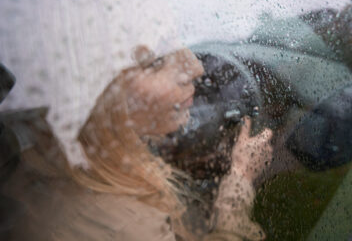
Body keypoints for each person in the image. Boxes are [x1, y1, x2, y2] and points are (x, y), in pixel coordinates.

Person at [1, 46, 273, 240]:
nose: (196, 67)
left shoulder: (43, 146)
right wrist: (240, 178)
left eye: (179, 41)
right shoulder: (127, 226)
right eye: (154, 62)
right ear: (96, 91)